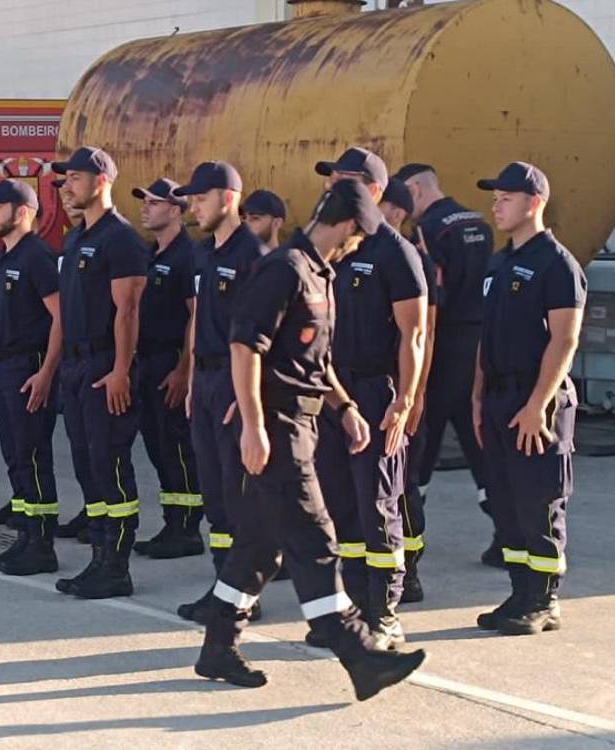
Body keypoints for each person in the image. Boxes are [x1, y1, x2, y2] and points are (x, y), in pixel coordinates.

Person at [193, 179, 427, 700]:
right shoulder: (285, 269)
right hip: (276, 427)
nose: (358, 248)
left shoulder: (321, 274)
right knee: (318, 538)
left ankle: (218, 645)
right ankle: (358, 652)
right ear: (347, 225)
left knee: (258, 544)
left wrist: (343, 407)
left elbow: (313, 363)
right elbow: (245, 347)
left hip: (304, 419)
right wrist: (253, 425)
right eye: (359, 238)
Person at [312, 147, 427, 651]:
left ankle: (385, 612)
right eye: (333, 180)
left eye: (347, 181)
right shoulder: (335, 248)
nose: (335, 188)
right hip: (333, 395)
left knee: (377, 503)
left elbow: (414, 335)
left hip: (375, 389)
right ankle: (353, 608)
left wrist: (403, 401)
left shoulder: (395, 252)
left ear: (376, 190)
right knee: (339, 504)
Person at [473, 162, 583, 636]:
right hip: (497, 396)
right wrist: (477, 395)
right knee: (507, 501)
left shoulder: (557, 264)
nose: (496, 205)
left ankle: (544, 600)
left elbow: (564, 340)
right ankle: (520, 592)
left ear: (533, 203)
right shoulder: (498, 263)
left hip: (534, 398)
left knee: (539, 500)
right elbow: (485, 334)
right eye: (495, 196)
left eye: (506, 198)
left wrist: (538, 404)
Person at [170, 161, 269, 623]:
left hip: (234, 383)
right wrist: (191, 380)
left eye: (201, 198)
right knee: (214, 493)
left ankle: (244, 593)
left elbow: (264, 335)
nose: (193, 206)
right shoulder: (204, 253)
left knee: (238, 494)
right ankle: (223, 585)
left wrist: (247, 399)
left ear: (228, 198)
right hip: (206, 381)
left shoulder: (253, 255)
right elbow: (197, 322)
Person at [51, 147, 148, 600]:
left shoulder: (120, 239)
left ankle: (117, 565)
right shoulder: (75, 238)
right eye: (66, 178)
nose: (67, 186)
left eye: (75, 178)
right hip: (74, 365)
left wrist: (120, 370)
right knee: (88, 465)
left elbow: (127, 309)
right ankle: (99, 556)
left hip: (103, 364)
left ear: (101, 181)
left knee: (110, 462)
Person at [396, 162, 497, 566]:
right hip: (477, 342)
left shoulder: (429, 231)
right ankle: (509, 536)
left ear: (417, 190)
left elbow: (434, 296)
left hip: (444, 342)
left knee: (420, 442)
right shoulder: (478, 222)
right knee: (479, 441)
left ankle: (406, 533)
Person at [0, 179, 64, 575]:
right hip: (4, 367)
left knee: (32, 456)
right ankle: (26, 537)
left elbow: (60, 318)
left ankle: (42, 544)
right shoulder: (6, 256)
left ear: (23, 212)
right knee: (15, 458)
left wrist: (46, 372)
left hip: (28, 368)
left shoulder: (36, 256)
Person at [129, 177, 203, 560]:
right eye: (145, 201)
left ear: (176, 210)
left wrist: (183, 370)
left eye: (154, 203)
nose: (146, 208)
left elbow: (197, 315)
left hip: (170, 360)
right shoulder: (151, 254)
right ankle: (172, 521)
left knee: (177, 447)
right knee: (158, 447)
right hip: (148, 361)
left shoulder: (185, 257)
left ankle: (187, 528)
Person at [382, 175, 440, 603]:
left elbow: (425, 332)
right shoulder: (355, 254)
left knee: (402, 484)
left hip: (395, 385)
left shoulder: (411, 260)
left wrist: (414, 394)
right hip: (360, 387)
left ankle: (411, 569)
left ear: (397, 212)